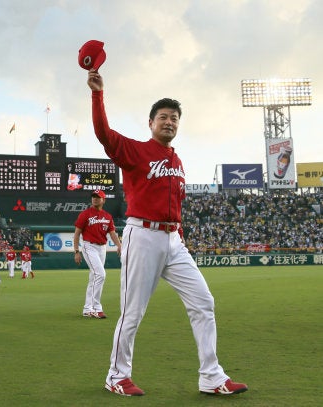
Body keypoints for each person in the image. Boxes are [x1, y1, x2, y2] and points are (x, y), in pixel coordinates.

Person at [87, 70, 247, 396]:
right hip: (142, 236)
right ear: (151, 123)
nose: (170, 122)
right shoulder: (136, 151)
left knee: (203, 302)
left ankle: (211, 377)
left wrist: (180, 236)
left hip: (174, 240)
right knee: (133, 312)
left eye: (174, 118)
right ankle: (116, 376)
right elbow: (104, 134)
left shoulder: (178, 160)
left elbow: (175, 205)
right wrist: (97, 94)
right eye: (163, 117)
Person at [73, 189, 122, 319]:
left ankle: (87, 309)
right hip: (89, 246)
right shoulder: (85, 214)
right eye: (93, 196)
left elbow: (112, 233)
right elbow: (77, 233)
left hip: (102, 248)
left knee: (94, 278)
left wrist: (119, 245)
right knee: (100, 274)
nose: (95, 199)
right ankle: (96, 308)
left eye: (98, 197)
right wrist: (77, 251)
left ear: (103, 200)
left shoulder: (108, 216)